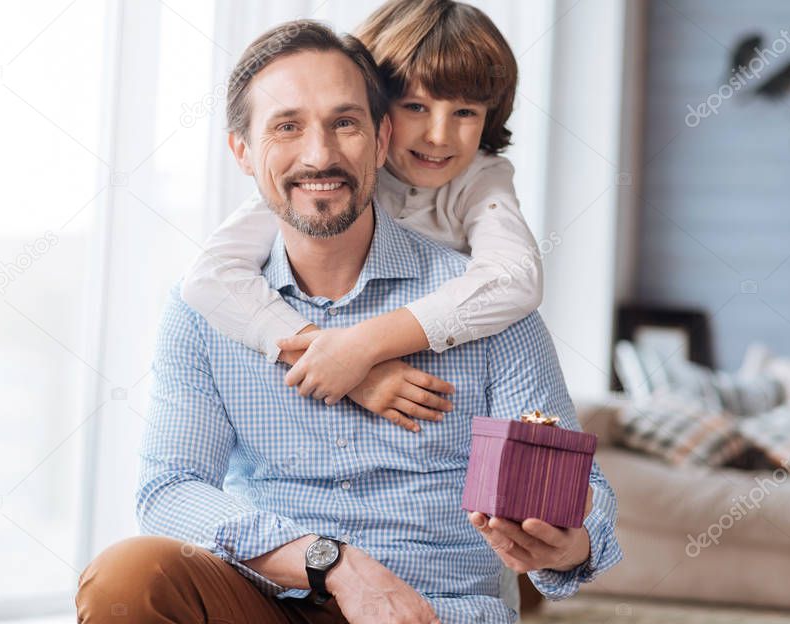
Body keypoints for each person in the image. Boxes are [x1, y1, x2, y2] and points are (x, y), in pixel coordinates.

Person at [76, 20, 621, 624]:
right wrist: (329, 561)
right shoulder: (208, 306)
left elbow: (578, 488)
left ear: (380, 138)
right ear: (242, 151)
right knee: (128, 577)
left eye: (344, 123)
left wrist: (569, 542)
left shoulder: (485, 304)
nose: (318, 154)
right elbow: (169, 490)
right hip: (266, 611)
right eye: (286, 127)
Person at [180, 0, 542, 433]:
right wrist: (341, 362)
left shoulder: (483, 177)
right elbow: (209, 277)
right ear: (378, 112)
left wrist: (362, 346)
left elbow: (515, 277)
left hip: (445, 374)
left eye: (465, 112)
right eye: (415, 106)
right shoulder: (332, 176)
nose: (439, 136)